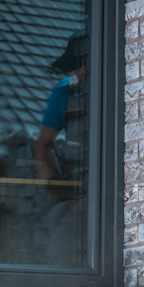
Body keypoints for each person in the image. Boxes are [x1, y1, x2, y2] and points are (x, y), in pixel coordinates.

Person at [35, 30, 87, 182]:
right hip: (77, 185)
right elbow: (41, 147)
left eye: (79, 66)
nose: (74, 71)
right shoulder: (64, 91)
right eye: (73, 67)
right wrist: (52, 181)